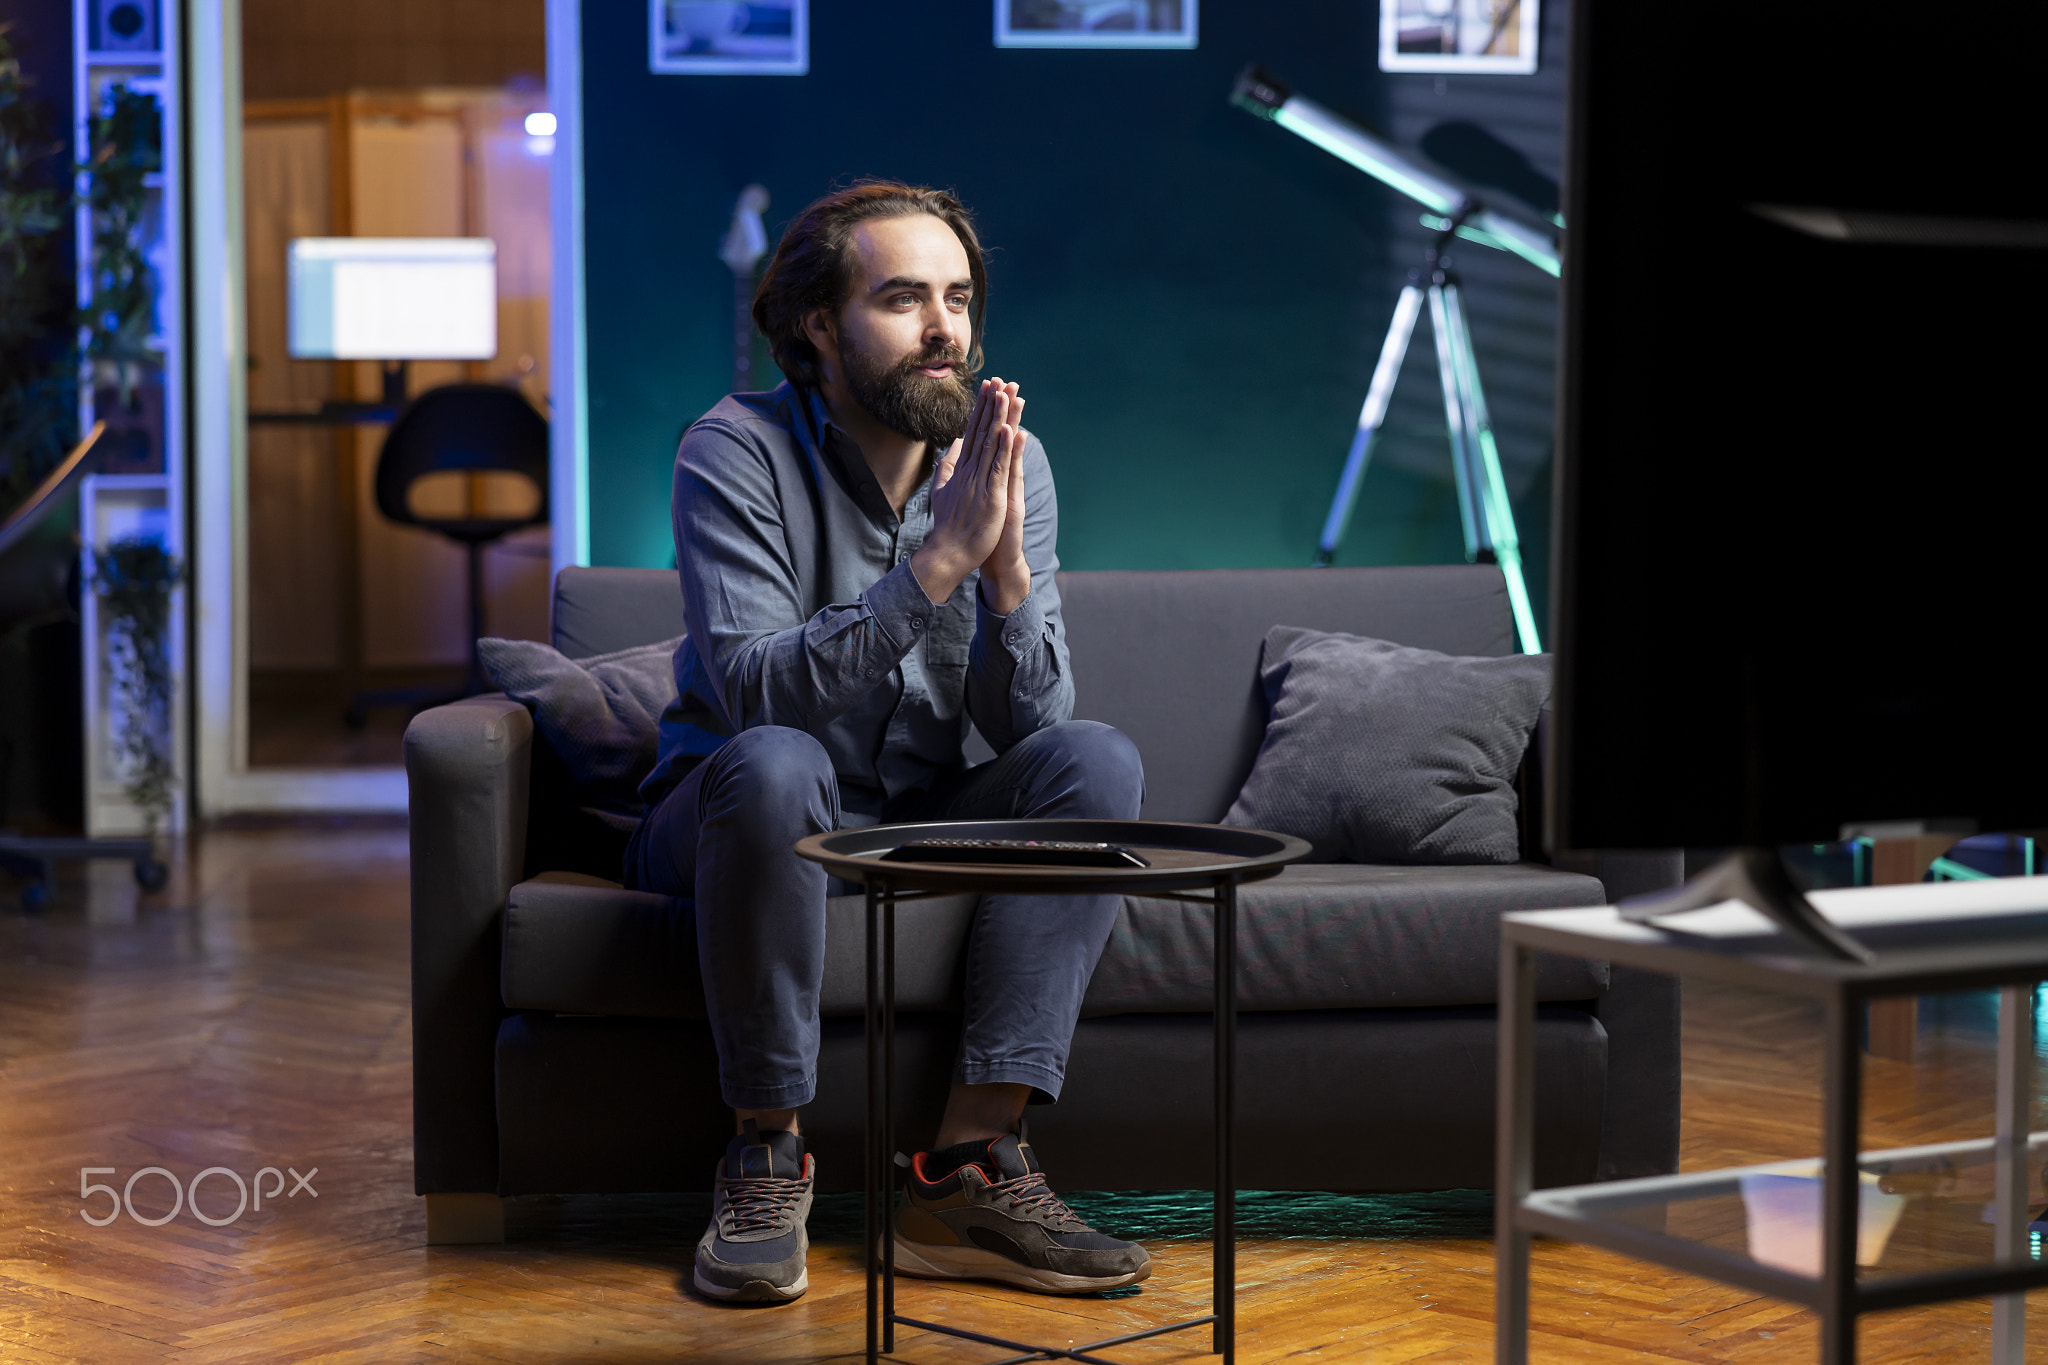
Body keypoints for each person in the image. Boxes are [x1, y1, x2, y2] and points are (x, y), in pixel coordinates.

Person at [625, 181, 1150, 1305]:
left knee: (1095, 760)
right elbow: (759, 695)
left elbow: (1034, 733)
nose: (943, 329)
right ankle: (764, 1150)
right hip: (730, 811)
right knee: (776, 763)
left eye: (956, 298)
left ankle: (966, 1167)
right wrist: (936, 569)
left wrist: (1006, 580)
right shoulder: (730, 450)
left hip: (913, 811)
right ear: (818, 325)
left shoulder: (1012, 461)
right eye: (903, 298)